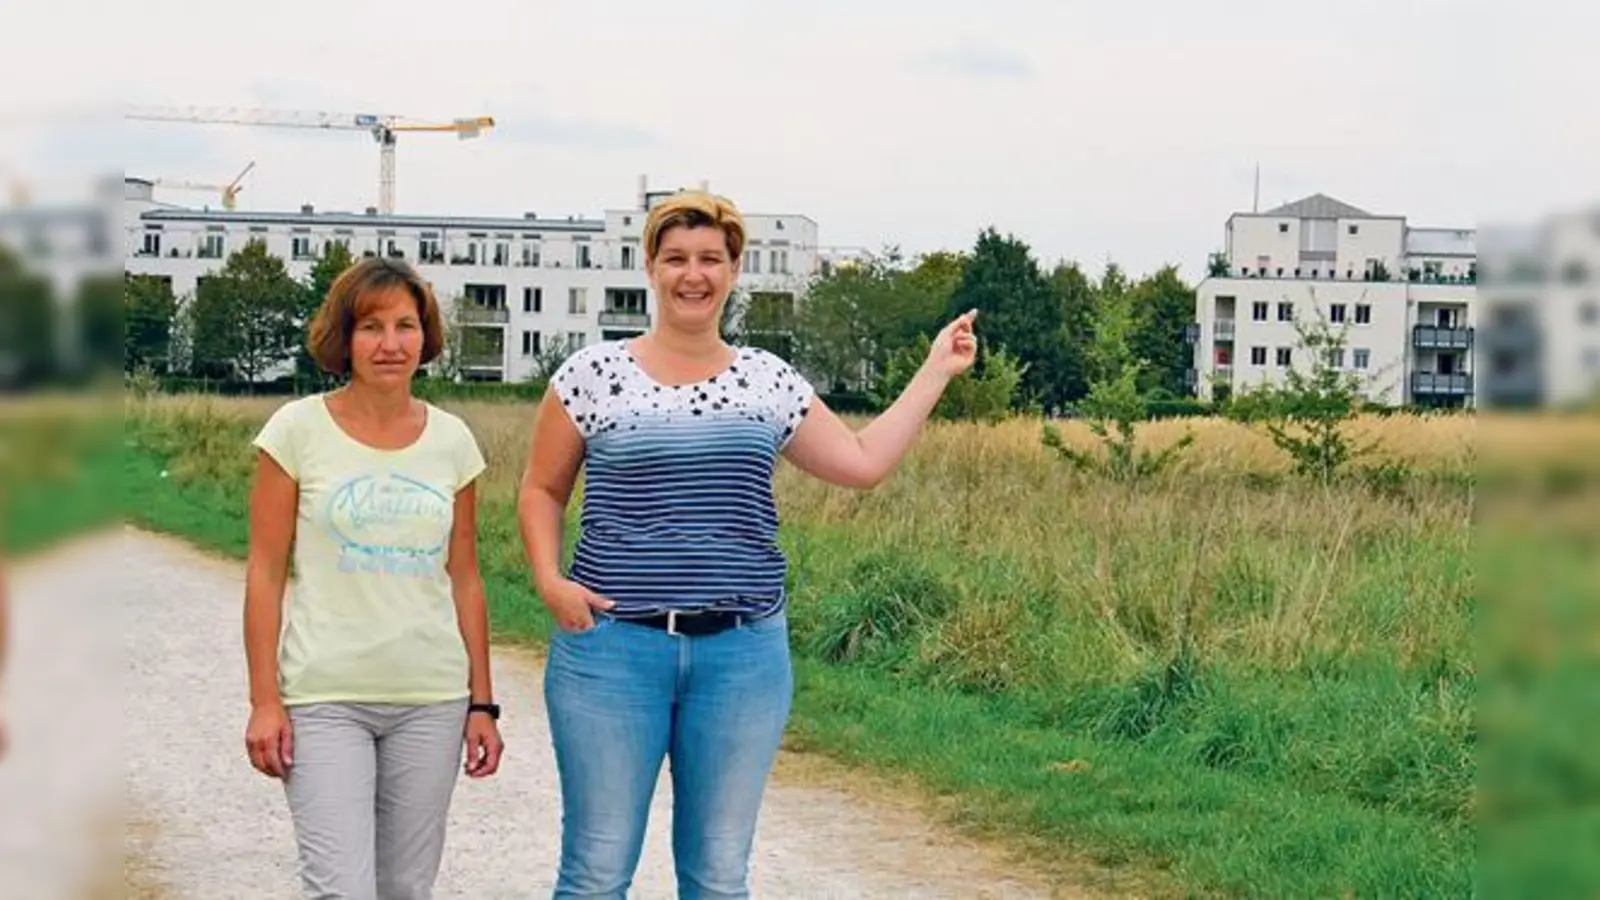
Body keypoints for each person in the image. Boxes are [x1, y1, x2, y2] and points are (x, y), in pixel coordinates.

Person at [518, 189, 977, 898]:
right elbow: (541, 490)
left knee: (719, 874)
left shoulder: (766, 380)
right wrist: (549, 578)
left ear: (735, 270)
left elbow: (859, 462)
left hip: (741, 656)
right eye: (675, 258)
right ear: (650, 267)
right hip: (609, 650)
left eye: (710, 258)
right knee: (596, 871)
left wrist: (934, 372)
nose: (692, 274)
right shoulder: (590, 376)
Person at [244, 256, 505, 899]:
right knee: (341, 890)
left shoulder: (453, 442)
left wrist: (482, 702)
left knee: (406, 889)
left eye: (405, 326)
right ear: (344, 338)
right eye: (371, 327)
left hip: (432, 699)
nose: (390, 344)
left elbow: (465, 579)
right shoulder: (295, 431)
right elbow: (265, 573)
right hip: (324, 696)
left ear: (426, 336)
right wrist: (263, 699)